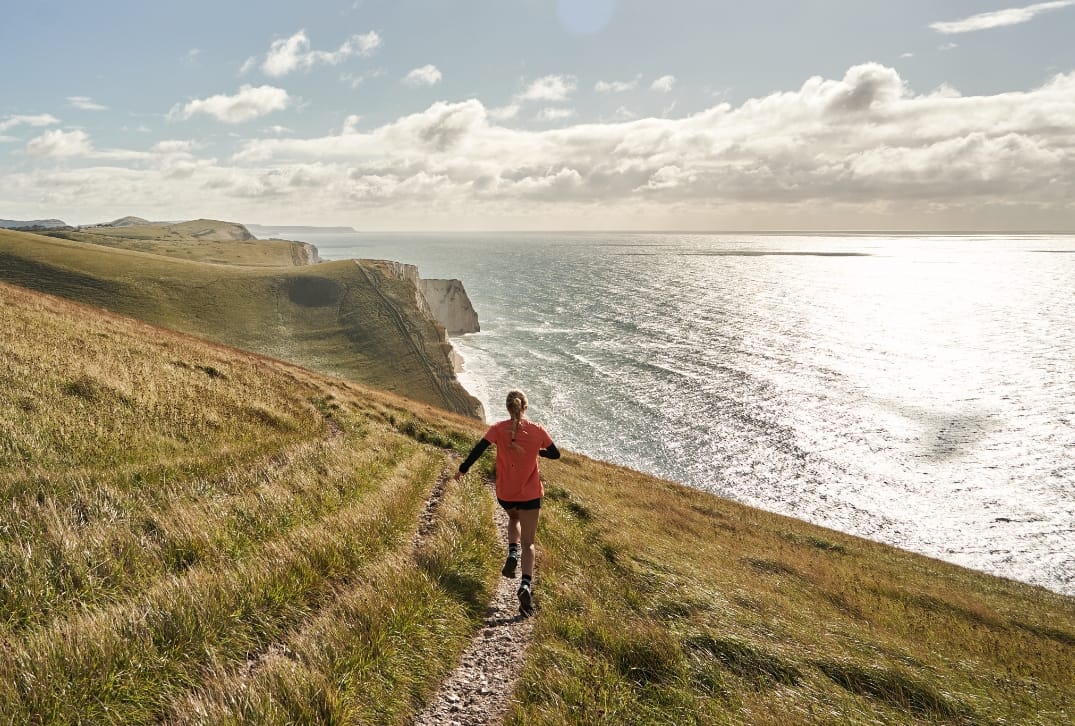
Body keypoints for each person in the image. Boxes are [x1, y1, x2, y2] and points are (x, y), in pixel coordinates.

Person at [455, 389, 560, 616]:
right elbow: (556, 454)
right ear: (525, 407)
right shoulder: (537, 430)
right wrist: (537, 453)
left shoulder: (498, 429)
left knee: (513, 519)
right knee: (529, 543)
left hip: (506, 493)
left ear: (507, 407)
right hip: (530, 495)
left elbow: (478, 450)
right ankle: (525, 585)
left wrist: (462, 469)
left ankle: (511, 552)